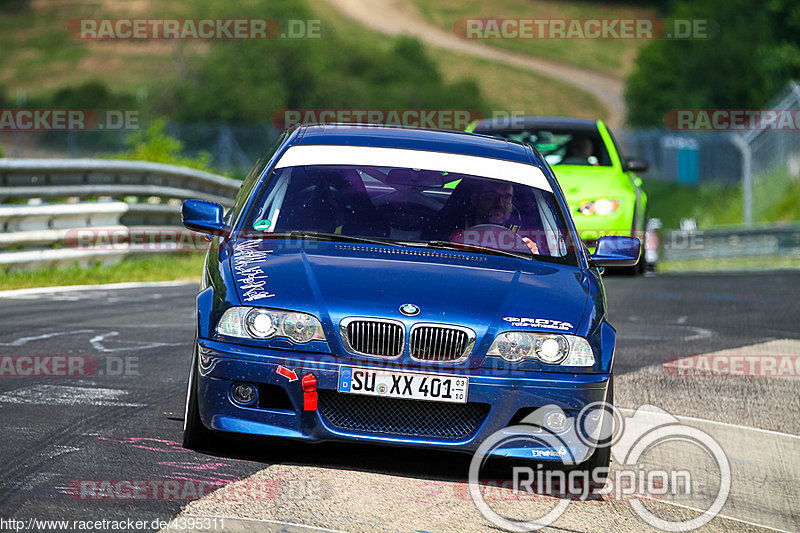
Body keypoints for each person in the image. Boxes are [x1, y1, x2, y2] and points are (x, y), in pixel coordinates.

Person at [468, 181, 539, 254]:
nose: (500, 203)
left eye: (507, 198)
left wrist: (532, 254)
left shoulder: (522, 238)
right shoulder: (456, 234)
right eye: (492, 196)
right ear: (475, 199)